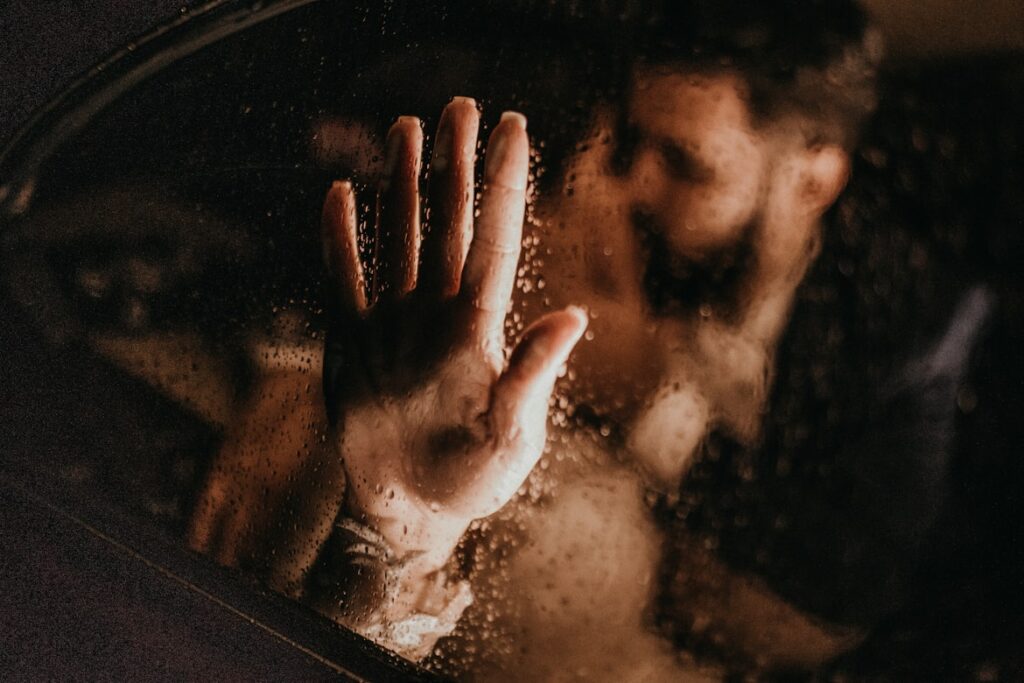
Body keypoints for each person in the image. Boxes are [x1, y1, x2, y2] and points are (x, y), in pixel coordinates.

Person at [188, 1, 899, 677]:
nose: (637, 182)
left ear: (813, 178)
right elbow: (344, 228)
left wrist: (643, 399)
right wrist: (304, 374)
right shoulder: (596, 151)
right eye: (632, 138)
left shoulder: (893, 348)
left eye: (686, 163)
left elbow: (788, 627)